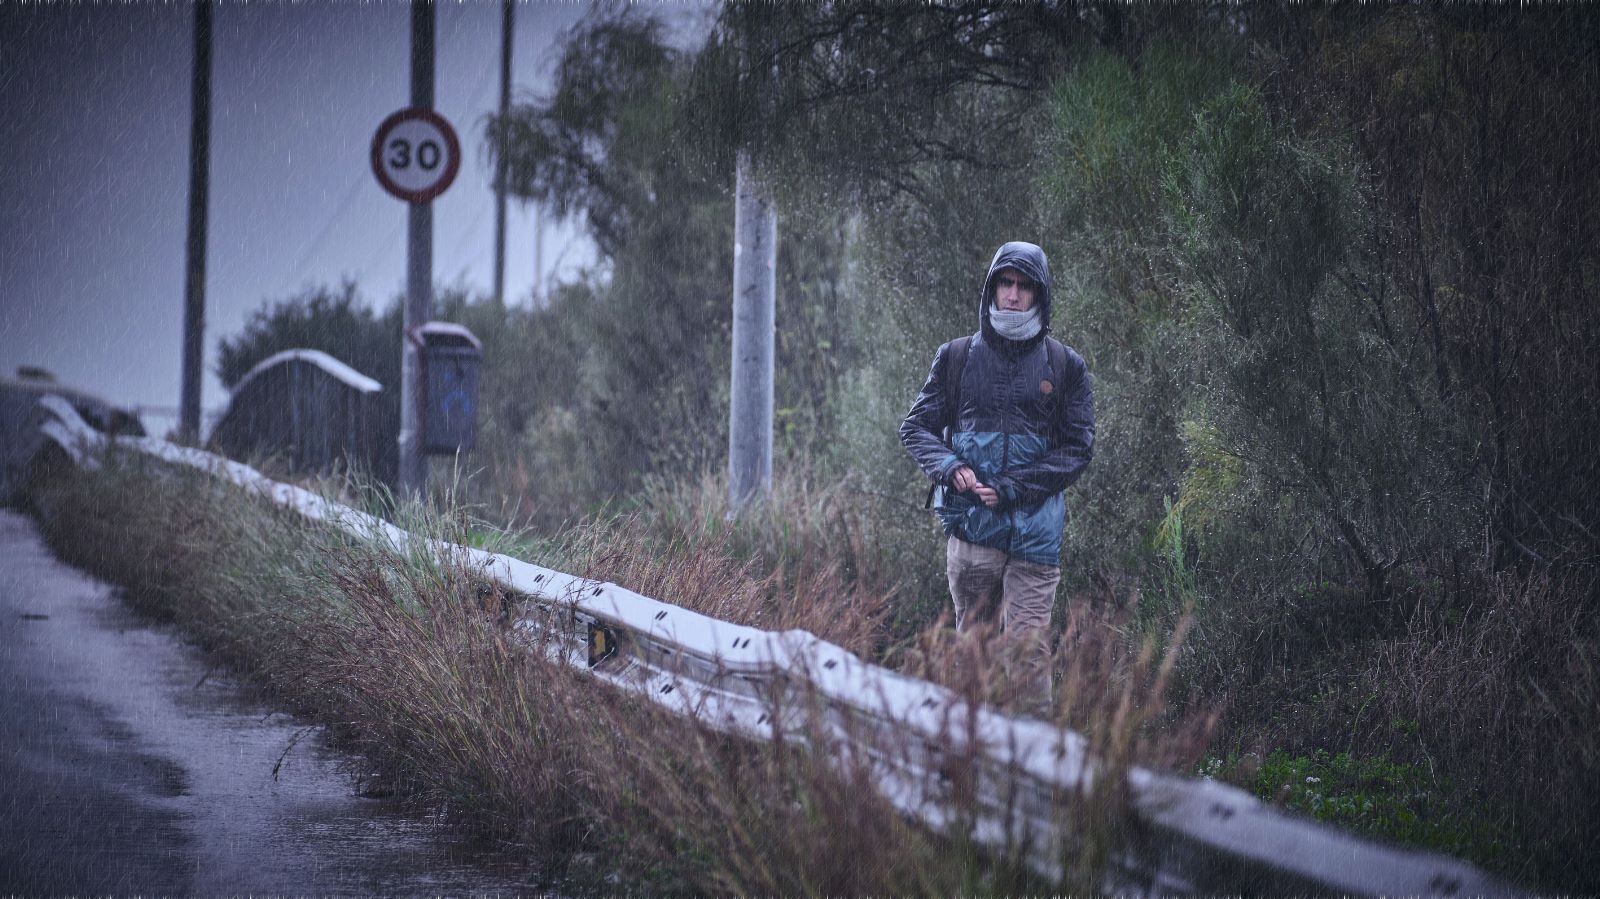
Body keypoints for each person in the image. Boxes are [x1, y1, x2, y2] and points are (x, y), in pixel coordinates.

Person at [899, 241, 1095, 715]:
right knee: (974, 661)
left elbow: (1077, 448)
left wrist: (1013, 487)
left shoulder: (1066, 366)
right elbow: (916, 428)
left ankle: (1031, 762)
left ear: (1040, 295)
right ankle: (967, 757)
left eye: (1024, 286)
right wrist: (951, 468)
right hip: (972, 533)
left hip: (1035, 539)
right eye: (1005, 283)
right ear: (991, 288)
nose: (1012, 295)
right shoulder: (957, 357)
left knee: (1027, 660)